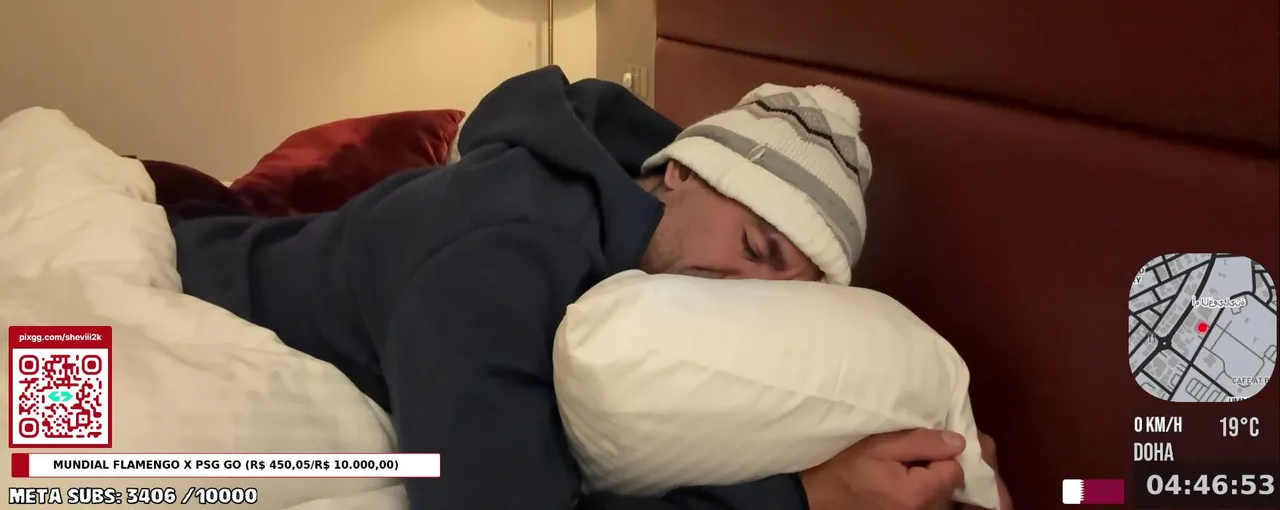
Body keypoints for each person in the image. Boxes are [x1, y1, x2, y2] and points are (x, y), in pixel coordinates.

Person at [171, 67, 1011, 510]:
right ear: (679, 172)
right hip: (200, 275)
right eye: (756, 248)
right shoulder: (502, 256)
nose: (748, 293)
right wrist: (807, 499)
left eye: (783, 292)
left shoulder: (655, 229)